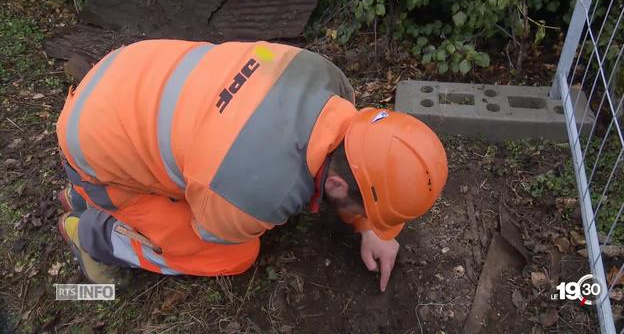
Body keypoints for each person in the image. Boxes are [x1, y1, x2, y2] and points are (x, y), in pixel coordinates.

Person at [55, 40, 448, 292]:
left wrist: (369, 224)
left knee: (196, 159)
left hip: (125, 70)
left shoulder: (326, 75)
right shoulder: (251, 193)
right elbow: (205, 224)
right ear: (337, 186)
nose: (367, 219)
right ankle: (94, 232)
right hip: (90, 144)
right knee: (232, 254)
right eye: (366, 211)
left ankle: (90, 195)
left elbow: (258, 56)